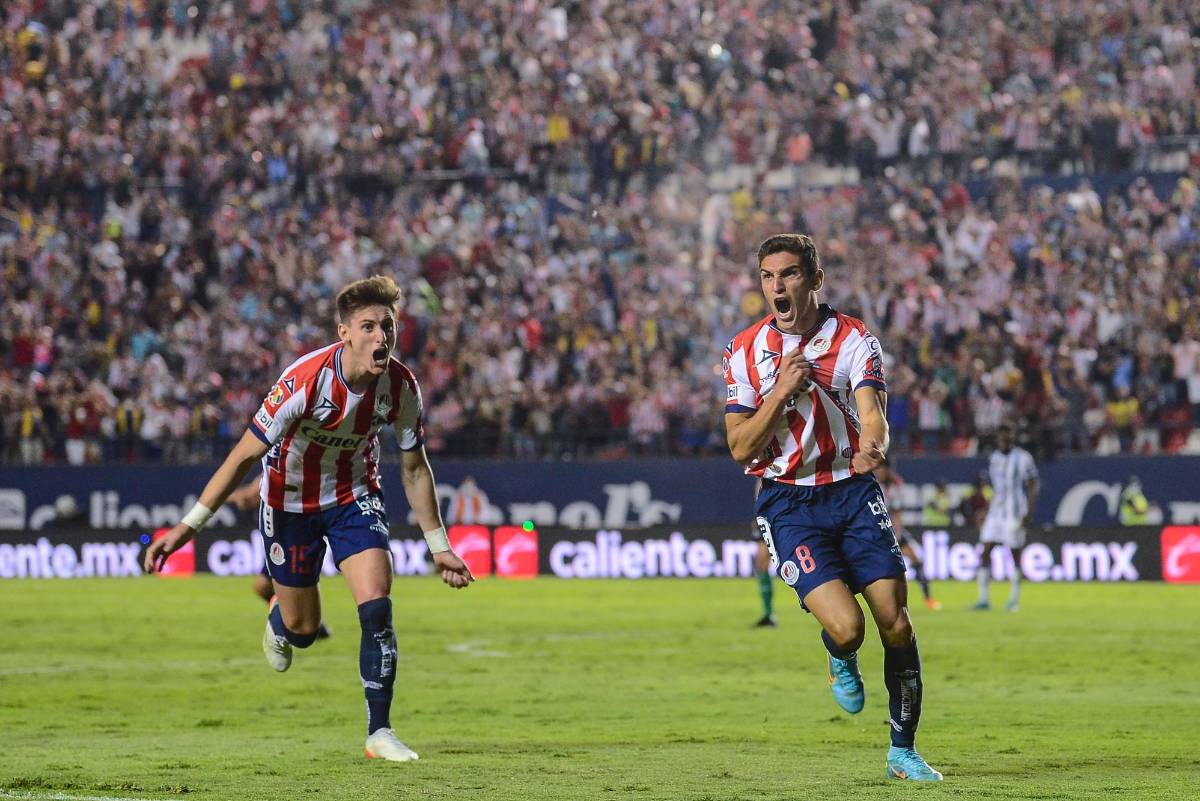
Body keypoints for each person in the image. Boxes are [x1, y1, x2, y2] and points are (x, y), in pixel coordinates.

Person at [144, 275, 474, 762]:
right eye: (368, 326)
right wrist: (184, 528)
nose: (381, 336)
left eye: (387, 325)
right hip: (289, 504)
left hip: (354, 497)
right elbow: (241, 457)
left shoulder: (401, 387)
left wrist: (439, 546)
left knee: (377, 604)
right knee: (303, 630)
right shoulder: (305, 380)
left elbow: (413, 467)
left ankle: (379, 732)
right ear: (345, 333)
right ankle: (281, 617)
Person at [724, 234, 941, 781]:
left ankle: (903, 751)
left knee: (896, 622)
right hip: (788, 500)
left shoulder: (854, 339)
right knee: (848, 629)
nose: (778, 286)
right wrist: (781, 391)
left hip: (852, 490)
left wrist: (875, 446)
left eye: (790, 274)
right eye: (768, 276)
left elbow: (873, 414)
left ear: (816, 279)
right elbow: (740, 447)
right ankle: (840, 655)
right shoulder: (744, 350)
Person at [227, 478, 331, 640]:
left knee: (263, 586)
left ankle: (305, 623)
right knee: (263, 587)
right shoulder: (269, 471)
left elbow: (247, 499)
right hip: (278, 535)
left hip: (287, 534)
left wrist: (223, 496)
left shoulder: (277, 472)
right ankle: (306, 621)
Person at [973, 421, 1039, 612]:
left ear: (1013, 435)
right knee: (985, 551)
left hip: (1015, 512)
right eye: (1002, 433)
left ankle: (1013, 600)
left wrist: (1028, 513)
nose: (1004, 436)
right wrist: (985, 511)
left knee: (1014, 554)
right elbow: (996, 488)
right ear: (997, 437)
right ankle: (983, 599)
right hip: (996, 512)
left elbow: (1033, 486)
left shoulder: (1023, 458)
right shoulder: (994, 458)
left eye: (1008, 432)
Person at [874, 459, 941, 610]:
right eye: (877, 469)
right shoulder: (872, 484)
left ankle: (928, 598)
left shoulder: (894, 486)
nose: (879, 472)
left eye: (882, 469)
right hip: (876, 532)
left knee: (916, 560)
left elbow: (897, 514)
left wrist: (896, 536)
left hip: (892, 531)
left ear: (888, 470)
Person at [749, 478, 777, 628]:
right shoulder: (761, 473)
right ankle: (768, 614)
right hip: (765, 514)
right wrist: (757, 515)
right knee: (761, 564)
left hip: (779, 512)